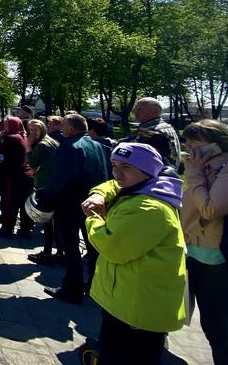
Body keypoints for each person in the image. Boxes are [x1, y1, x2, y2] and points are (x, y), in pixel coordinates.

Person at [82, 143, 186, 364]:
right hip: (129, 300)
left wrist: (93, 216)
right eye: (114, 165)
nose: (118, 173)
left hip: (137, 307)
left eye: (126, 167)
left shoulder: (148, 207)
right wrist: (99, 194)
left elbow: (112, 247)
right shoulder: (147, 187)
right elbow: (113, 184)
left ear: (147, 170)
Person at [37, 113, 109, 304]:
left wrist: (46, 195)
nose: (62, 130)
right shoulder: (97, 145)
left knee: (71, 248)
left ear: (70, 128)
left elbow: (59, 177)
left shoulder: (69, 146)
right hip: (93, 204)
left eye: (65, 126)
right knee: (93, 248)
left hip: (69, 205)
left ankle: (72, 288)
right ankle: (94, 286)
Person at [181, 119, 228, 364]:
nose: (188, 145)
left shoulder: (222, 167)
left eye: (193, 140)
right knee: (210, 323)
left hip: (214, 254)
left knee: (219, 325)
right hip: (196, 250)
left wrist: (195, 174)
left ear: (214, 142)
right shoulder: (199, 164)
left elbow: (211, 209)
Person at [26, 119, 61, 265]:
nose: (32, 132)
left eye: (36, 129)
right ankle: (59, 252)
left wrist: (28, 146)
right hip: (54, 183)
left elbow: (32, 163)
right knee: (55, 223)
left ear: (42, 129)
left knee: (47, 222)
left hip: (45, 186)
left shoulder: (41, 145)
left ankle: (47, 253)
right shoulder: (51, 141)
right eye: (30, 129)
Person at [0, 116, 34, 238]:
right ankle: (25, 229)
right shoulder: (23, 136)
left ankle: (7, 229)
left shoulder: (11, 138)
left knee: (10, 203)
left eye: (7, 124)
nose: (4, 127)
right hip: (26, 175)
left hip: (14, 175)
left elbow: (0, 150)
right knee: (23, 205)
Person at [126, 97, 181, 168]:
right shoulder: (166, 126)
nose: (135, 112)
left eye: (139, 109)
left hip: (156, 174)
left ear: (155, 111)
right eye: (135, 109)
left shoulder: (153, 131)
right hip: (169, 173)